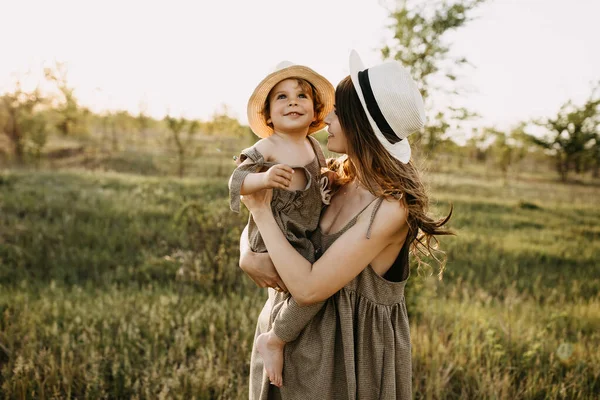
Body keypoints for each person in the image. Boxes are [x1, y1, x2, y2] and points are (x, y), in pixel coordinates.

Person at [239, 50, 453, 399]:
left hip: (346, 357)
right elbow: (274, 222)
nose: (326, 121)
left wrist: (260, 213)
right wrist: (246, 252)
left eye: (337, 113)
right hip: (286, 338)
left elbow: (308, 288)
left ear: (360, 125)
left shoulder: (389, 208)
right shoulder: (337, 176)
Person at [228, 61, 335, 388]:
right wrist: (263, 178)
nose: (293, 102)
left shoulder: (314, 147)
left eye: (302, 96)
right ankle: (274, 340)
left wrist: (327, 184)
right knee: (313, 290)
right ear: (269, 116)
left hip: (300, 239)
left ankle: (285, 341)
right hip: (273, 239)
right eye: (282, 97)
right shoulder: (267, 147)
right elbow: (236, 181)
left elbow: (318, 182)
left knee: (316, 285)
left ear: (315, 110)